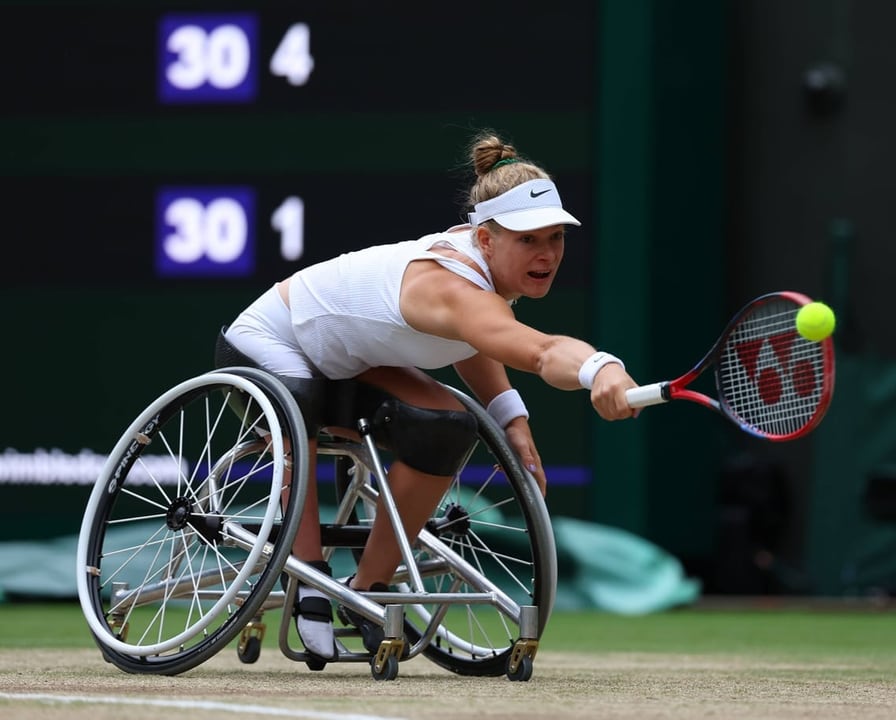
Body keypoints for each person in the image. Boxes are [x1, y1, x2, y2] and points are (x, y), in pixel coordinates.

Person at [218, 131, 640, 661]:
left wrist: (510, 416)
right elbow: (538, 351)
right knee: (295, 399)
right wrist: (601, 368)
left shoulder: (478, 285)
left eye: (555, 238)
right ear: (485, 239)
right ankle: (309, 580)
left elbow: (472, 341)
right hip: (265, 343)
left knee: (448, 424)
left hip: (348, 368)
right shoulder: (449, 286)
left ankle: (368, 591)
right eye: (528, 240)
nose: (546, 254)